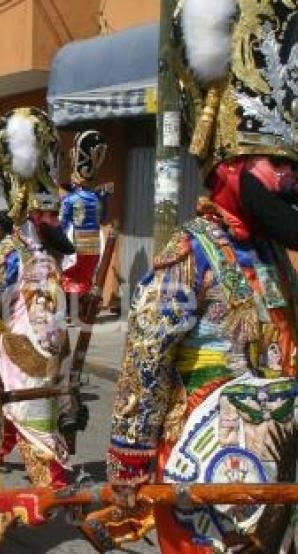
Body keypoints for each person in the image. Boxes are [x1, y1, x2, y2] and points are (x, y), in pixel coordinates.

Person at [105, 3, 298, 552]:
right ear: (230, 167)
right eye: (276, 165)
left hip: (275, 471)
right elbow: (146, 361)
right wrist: (128, 460)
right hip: (202, 471)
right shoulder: (188, 254)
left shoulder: (276, 257)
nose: (289, 181)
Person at [0, 107, 77, 490]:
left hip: (52, 349)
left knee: (41, 407)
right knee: (32, 408)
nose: (56, 221)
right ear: (31, 215)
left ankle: (0, 448)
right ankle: (51, 482)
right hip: (22, 347)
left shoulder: (53, 253)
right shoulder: (11, 250)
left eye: (56, 214)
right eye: (49, 214)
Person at [59, 130, 109, 323]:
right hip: (95, 241)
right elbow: (103, 218)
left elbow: (63, 223)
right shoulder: (97, 198)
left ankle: (71, 313)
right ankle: (81, 311)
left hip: (75, 241)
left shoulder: (70, 199)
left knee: (70, 275)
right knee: (86, 276)